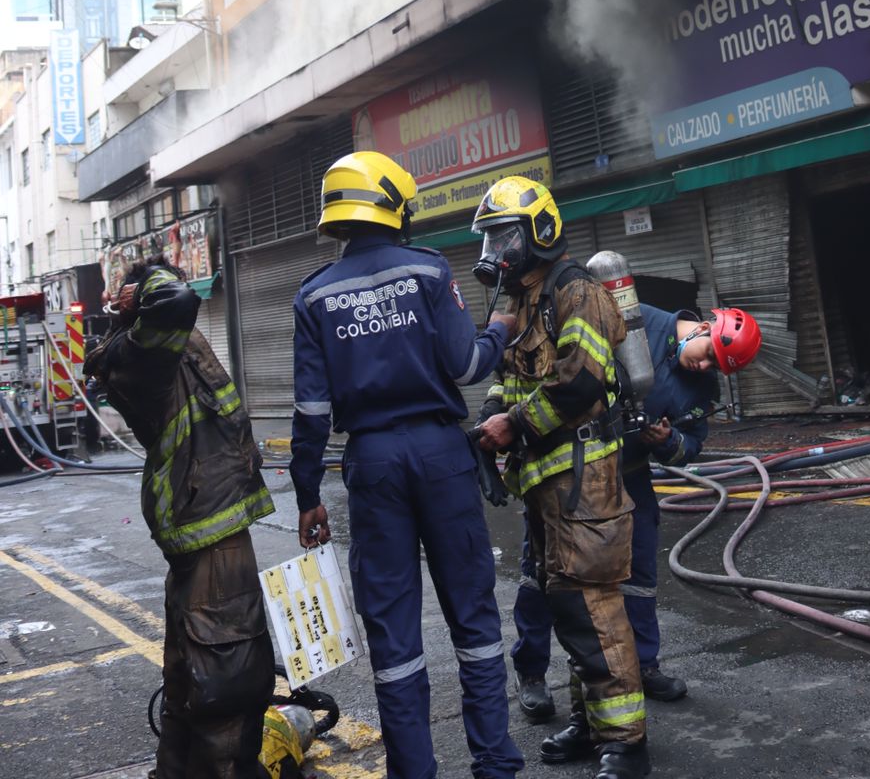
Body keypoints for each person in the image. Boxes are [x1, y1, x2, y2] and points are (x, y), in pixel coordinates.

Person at [288, 150, 524, 779]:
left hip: (371, 464)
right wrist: (499, 328)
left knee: (393, 634)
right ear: (391, 204)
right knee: (472, 614)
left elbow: (311, 411)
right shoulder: (426, 271)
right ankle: (495, 762)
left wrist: (307, 493)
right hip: (442, 455)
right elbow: (468, 367)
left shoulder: (313, 297)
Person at [506, 303, 761, 719]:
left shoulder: (702, 390)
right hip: (574, 469)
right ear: (703, 327)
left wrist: (667, 439)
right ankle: (531, 672)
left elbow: (690, 444)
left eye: (718, 366)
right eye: (711, 353)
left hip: (630, 474)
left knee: (639, 573)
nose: (706, 367)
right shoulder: (631, 315)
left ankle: (643, 665)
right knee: (544, 569)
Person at [474, 176, 649, 779]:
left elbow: (579, 383)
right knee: (565, 602)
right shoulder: (526, 300)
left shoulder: (577, 292)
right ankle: (592, 722)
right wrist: (491, 419)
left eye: (504, 236)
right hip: (547, 484)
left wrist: (514, 427)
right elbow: (506, 378)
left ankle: (627, 742)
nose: (495, 250)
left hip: (584, 478)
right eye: (491, 237)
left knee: (591, 603)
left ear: (539, 233)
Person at [84, 256, 276, 779]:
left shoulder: (153, 351)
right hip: (208, 525)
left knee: (190, 677)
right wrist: (141, 286)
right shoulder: (145, 354)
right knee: (227, 677)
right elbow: (175, 298)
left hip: (205, 520)